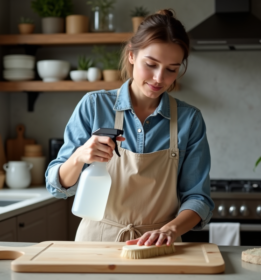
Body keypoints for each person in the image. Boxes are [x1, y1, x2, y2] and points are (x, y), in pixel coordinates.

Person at [46, 9, 214, 247]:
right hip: (96, 243)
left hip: (158, 246)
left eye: (171, 69)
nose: (159, 78)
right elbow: (57, 186)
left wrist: (170, 230)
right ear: (132, 55)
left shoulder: (189, 119)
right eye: (151, 64)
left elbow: (198, 197)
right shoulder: (94, 106)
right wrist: (78, 157)